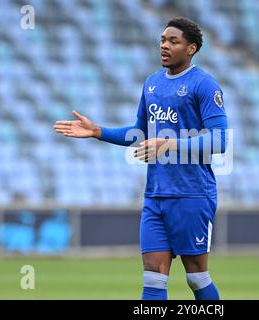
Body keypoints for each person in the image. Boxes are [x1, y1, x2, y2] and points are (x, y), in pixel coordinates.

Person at [53, 16, 228, 300]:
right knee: (153, 280)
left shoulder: (205, 85)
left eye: (174, 41)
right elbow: (139, 131)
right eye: (162, 40)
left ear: (192, 48)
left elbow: (219, 140)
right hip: (156, 196)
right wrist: (98, 131)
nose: (165, 46)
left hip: (192, 194)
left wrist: (169, 143)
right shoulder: (152, 84)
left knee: (196, 278)